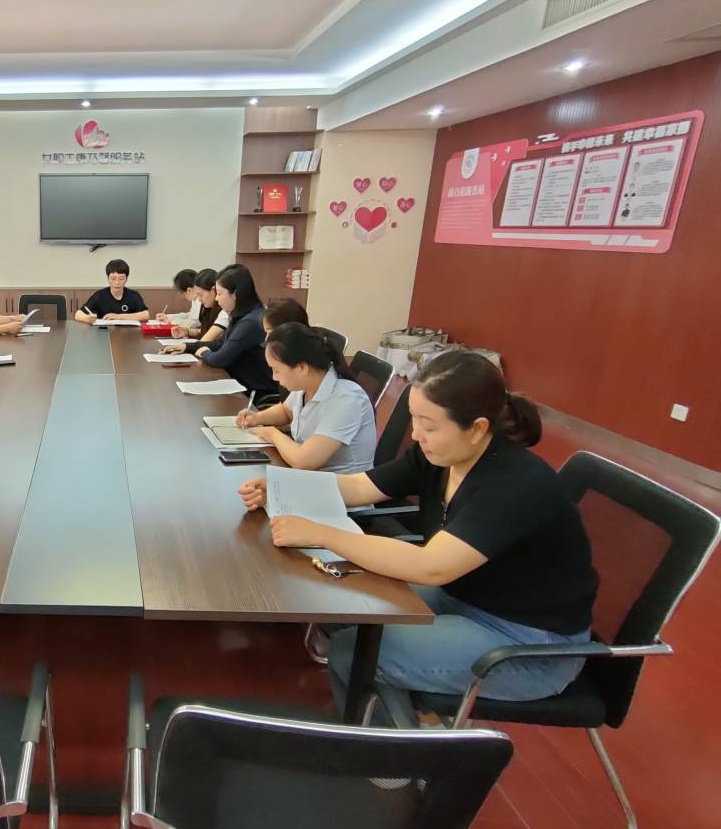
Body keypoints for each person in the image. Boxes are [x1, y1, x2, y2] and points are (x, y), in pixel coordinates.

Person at [237, 350, 597, 716]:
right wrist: (283, 486)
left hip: (529, 645)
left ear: (477, 429)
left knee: (353, 652)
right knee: (341, 606)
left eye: (429, 425)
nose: (415, 434)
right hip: (463, 597)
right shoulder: (443, 455)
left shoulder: (514, 484)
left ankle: (392, 750)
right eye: (414, 418)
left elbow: (431, 566)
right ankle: (387, 712)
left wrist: (322, 534)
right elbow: (361, 487)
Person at [234, 322, 375, 472]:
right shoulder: (307, 384)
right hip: (311, 475)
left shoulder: (346, 400)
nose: (274, 377)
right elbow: (286, 411)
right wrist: (257, 418)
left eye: (277, 370)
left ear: (302, 368)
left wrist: (272, 433)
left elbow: (303, 461)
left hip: (341, 482)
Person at [167, 265, 279, 398]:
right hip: (240, 386)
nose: (216, 298)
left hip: (255, 394)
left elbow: (219, 359)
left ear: (235, 294)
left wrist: (204, 352)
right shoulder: (241, 314)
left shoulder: (250, 321)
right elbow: (219, 343)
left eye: (219, 294)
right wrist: (186, 346)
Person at [74, 259, 151, 324]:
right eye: (113, 278)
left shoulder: (133, 295)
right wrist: (87, 318)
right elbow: (78, 314)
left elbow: (145, 315)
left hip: (128, 334)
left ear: (126, 278)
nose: (117, 282)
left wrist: (118, 317)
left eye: (121, 279)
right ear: (108, 278)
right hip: (104, 334)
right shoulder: (100, 295)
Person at [170, 267, 225, 340]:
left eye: (200, 295)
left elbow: (208, 340)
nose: (199, 299)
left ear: (213, 290)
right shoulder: (208, 308)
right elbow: (205, 331)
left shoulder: (224, 312)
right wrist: (187, 331)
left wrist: (186, 345)